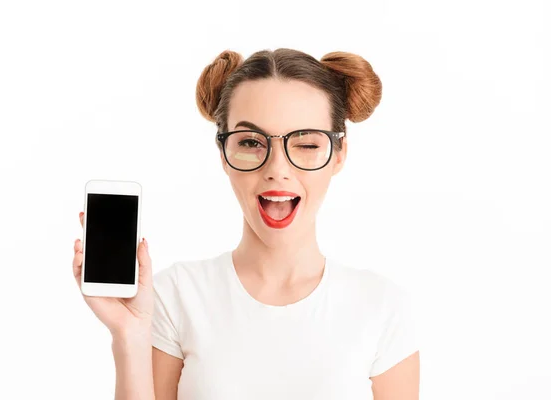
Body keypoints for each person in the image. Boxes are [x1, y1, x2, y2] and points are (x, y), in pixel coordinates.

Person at [72, 48, 420, 400]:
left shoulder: (382, 308)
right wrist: (129, 336)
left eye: (307, 144)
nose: (277, 169)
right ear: (223, 153)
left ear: (339, 153)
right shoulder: (174, 296)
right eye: (251, 142)